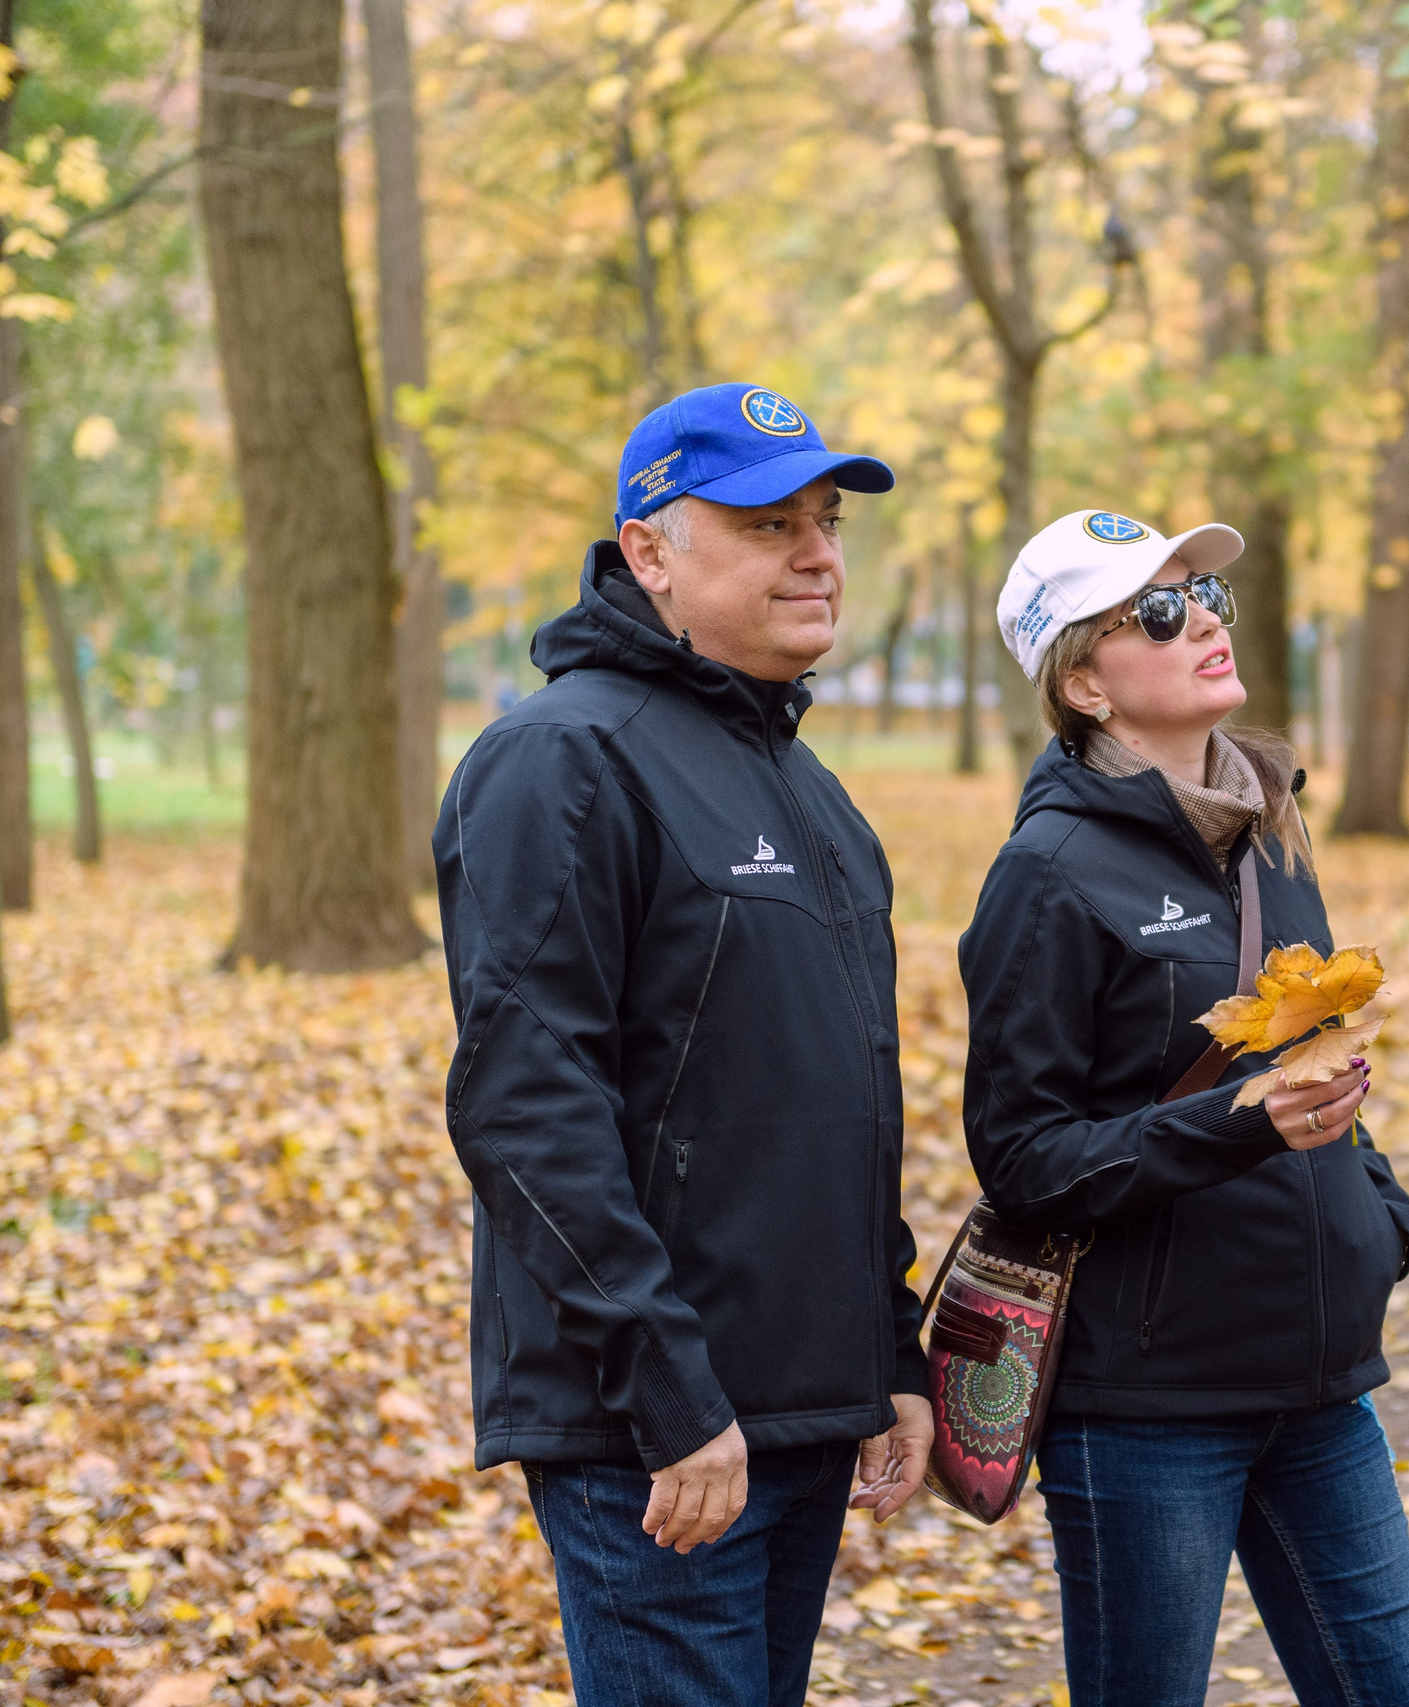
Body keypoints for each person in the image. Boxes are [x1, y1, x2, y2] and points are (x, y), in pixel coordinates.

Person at [433, 383, 934, 1707]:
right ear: (650, 549)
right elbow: (523, 1105)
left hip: (799, 1406)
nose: (820, 552)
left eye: (825, 521)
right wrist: (669, 1393)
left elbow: (843, 1101)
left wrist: (886, 1353)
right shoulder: (559, 759)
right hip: (658, 1432)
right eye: (771, 524)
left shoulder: (809, 789)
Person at [956, 509, 1409, 1707]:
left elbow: (1311, 1059)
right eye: (1158, 613)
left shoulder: (1272, 832)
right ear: (1085, 683)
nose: (1203, 621)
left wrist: (1374, 1216)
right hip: (1149, 1408)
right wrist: (1236, 1127)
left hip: (1322, 1390)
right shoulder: (1047, 873)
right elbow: (1023, 1158)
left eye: (1203, 597)